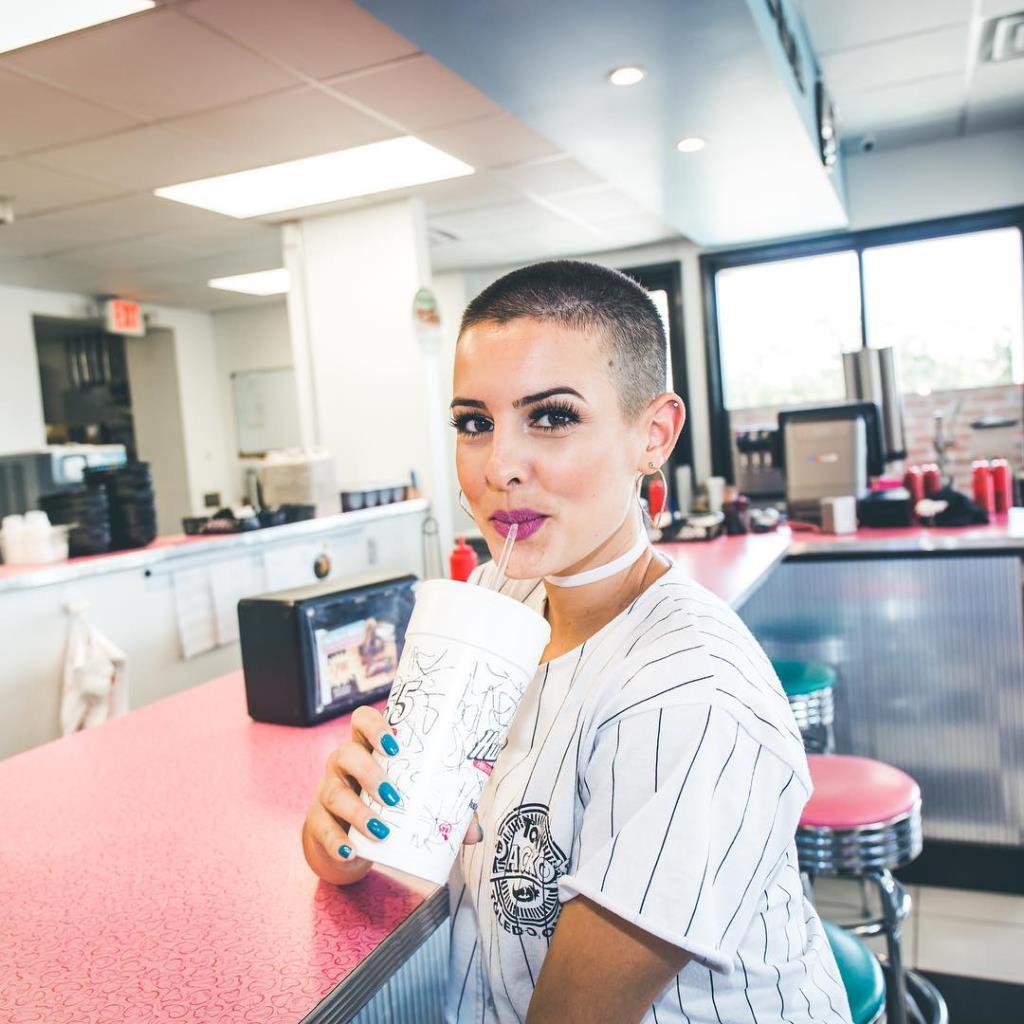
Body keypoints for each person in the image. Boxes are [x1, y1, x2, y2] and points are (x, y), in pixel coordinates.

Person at [301, 261, 852, 1024]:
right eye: (474, 423)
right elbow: (381, 843)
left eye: (552, 417)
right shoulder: (500, 597)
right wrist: (341, 828)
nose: (499, 467)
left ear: (653, 435)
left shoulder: (692, 697)